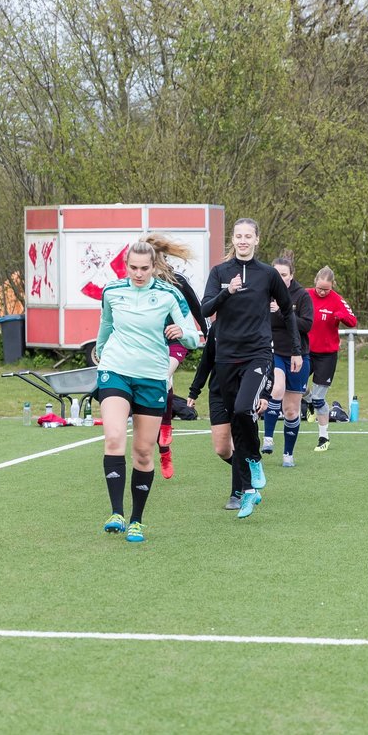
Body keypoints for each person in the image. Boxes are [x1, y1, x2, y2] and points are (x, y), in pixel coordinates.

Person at [92, 241, 201, 543]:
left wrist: (184, 334)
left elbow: (195, 334)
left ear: (154, 267)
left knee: (142, 451)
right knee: (114, 436)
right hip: (115, 370)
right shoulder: (112, 292)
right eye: (133, 268)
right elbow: (106, 324)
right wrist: (101, 352)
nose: (138, 274)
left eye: (144, 268)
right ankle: (116, 513)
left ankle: (136, 520)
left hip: (152, 376)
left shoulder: (169, 295)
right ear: (125, 266)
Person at [200, 218, 300, 519]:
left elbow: (287, 311)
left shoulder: (268, 274)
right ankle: (247, 491)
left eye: (248, 236)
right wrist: (226, 292)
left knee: (245, 409)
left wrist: (295, 349)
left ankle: (255, 460)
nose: (243, 241)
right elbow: (204, 310)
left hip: (257, 354)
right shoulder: (220, 273)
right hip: (225, 357)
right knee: (236, 423)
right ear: (233, 239)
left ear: (257, 240)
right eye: (238, 236)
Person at [143, 233, 208, 479]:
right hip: (150, 344)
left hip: (175, 341)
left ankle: (166, 428)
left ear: (157, 258)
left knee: (163, 374)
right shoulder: (136, 284)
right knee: (163, 383)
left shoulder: (177, 281)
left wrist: (208, 333)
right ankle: (164, 448)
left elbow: (197, 308)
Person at [187, 321, 270, 510]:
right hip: (218, 390)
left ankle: (239, 492)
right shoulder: (217, 327)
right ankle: (249, 472)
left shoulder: (254, 324)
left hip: (243, 390)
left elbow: (266, 361)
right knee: (222, 449)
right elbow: (206, 360)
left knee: (238, 440)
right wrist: (194, 390)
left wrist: (264, 394)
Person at [261, 256, 313, 467]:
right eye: (276, 274)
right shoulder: (265, 293)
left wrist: (283, 313)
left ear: (291, 275)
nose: (280, 278)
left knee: (291, 410)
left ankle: (288, 454)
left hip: (298, 354)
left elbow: (306, 325)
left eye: (284, 274)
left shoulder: (301, 296)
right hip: (273, 352)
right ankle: (268, 438)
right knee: (277, 389)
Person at [305, 266, 358, 451]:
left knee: (320, 399)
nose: (322, 292)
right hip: (305, 351)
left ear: (332, 286)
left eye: (326, 289)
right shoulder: (305, 295)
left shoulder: (337, 300)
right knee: (296, 385)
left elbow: (353, 321)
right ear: (315, 283)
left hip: (326, 355)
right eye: (319, 288)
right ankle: (309, 402)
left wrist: (341, 316)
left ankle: (323, 438)